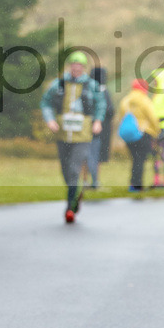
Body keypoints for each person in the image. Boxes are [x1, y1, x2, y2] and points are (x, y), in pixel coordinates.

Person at [39, 51, 106, 223]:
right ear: (69, 66)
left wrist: (98, 121)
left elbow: (101, 104)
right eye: (73, 65)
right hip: (62, 134)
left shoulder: (91, 85)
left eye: (79, 66)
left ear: (84, 68)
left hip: (82, 136)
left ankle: (70, 208)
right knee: (66, 171)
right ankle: (76, 194)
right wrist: (50, 119)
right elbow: (45, 102)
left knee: (75, 170)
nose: (76, 68)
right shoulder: (59, 84)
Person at [117, 78, 161, 191]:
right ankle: (137, 185)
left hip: (129, 134)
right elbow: (153, 117)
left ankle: (133, 184)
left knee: (135, 159)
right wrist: (157, 131)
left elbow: (122, 117)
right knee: (140, 159)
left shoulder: (125, 100)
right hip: (143, 133)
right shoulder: (145, 100)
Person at [82, 66, 115, 189]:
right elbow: (110, 110)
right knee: (97, 155)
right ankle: (95, 181)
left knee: (86, 154)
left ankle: (85, 180)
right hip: (101, 128)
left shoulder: (86, 89)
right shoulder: (102, 90)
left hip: (86, 126)